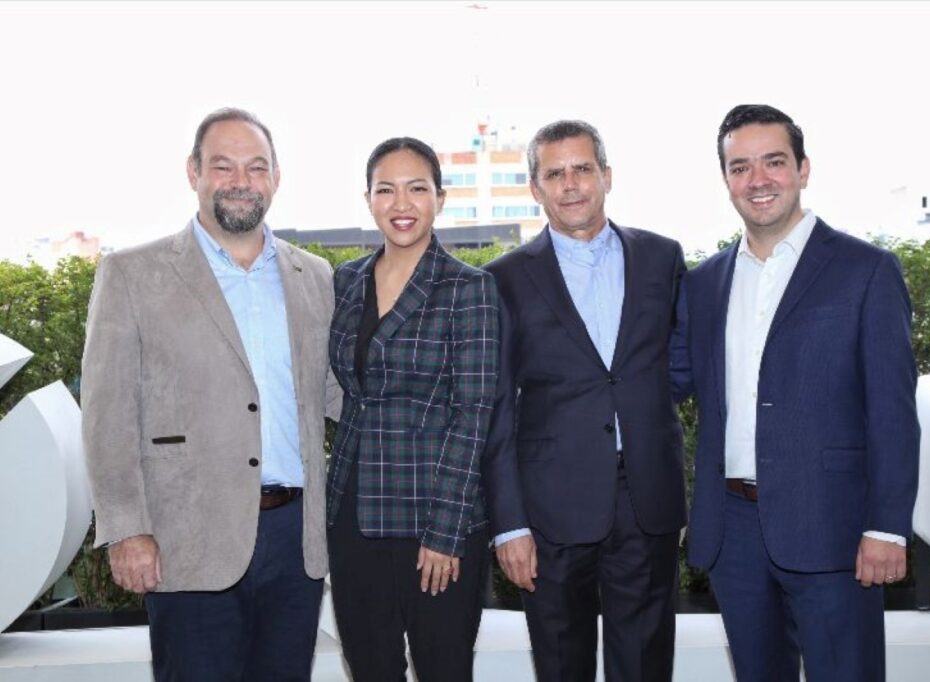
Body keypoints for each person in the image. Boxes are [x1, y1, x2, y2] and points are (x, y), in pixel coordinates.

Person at [81, 108, 341, 681]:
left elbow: (336, 394)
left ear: (276, 178)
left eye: (257, 167)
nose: (241, 181)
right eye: (223, 166)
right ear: (193, 172)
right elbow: (107, 417)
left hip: (296, 542)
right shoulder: (132, 274)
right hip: (185, 539)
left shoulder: (315, 276)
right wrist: (126, 529)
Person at [674, 104, 920, 681]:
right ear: (726, 180)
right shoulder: (705, 283)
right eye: (740, 167)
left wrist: (887, 527)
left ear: (803, 169)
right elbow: (664, 378)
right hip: (733, 532)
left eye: (774, 162)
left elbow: (892, 412)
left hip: (834, 529)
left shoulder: (866, 270)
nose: (757, 180)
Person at [483, 120, 687, 682]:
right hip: (549, 510)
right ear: (535, 188)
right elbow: (495, 410)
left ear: (607, 176)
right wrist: (509, 525)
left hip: (646, 500)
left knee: (644, 667)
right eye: (555, 174)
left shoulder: (662, 258)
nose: (570, 184)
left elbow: (680, 369)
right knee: (560, 665)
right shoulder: (502, 279)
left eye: (582, 169)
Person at [325, 137, 499, 681]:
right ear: (368, 200)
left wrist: (446, 532)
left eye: (417, 188)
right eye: (386, 190)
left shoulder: (469, 287)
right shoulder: (346, 280)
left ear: (439, 199)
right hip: (353, 513)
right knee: (370, 668)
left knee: (443, 668)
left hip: (435, 517)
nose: (401, 204)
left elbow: (473, 415)